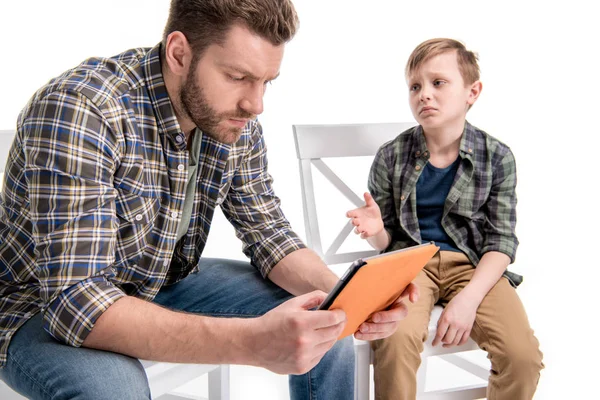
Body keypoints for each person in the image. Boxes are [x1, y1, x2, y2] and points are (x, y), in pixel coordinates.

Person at [0, 1, 418, 399]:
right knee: (115, 391)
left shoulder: (232, 118)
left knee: (324, 322)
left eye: (265, 82)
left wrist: (348, 295)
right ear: (179, 53)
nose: (255, 104)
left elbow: (268, 233)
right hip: (38, 305)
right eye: (238, 77)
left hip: (157, 280)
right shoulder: (82, 110)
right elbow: (76, 303)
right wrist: (252, 344)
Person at [346, 38, 544, 400]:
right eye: (415, 86)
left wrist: (467, 300)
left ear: (472, 92)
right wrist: (376, 232)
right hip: (409, 264)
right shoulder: (391, 155)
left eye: (438, 83)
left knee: (522, 357)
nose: (424, 95)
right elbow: (388, 242)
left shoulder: (497, 157)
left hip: (474, 265)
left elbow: (501, 243)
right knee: (393, 337)